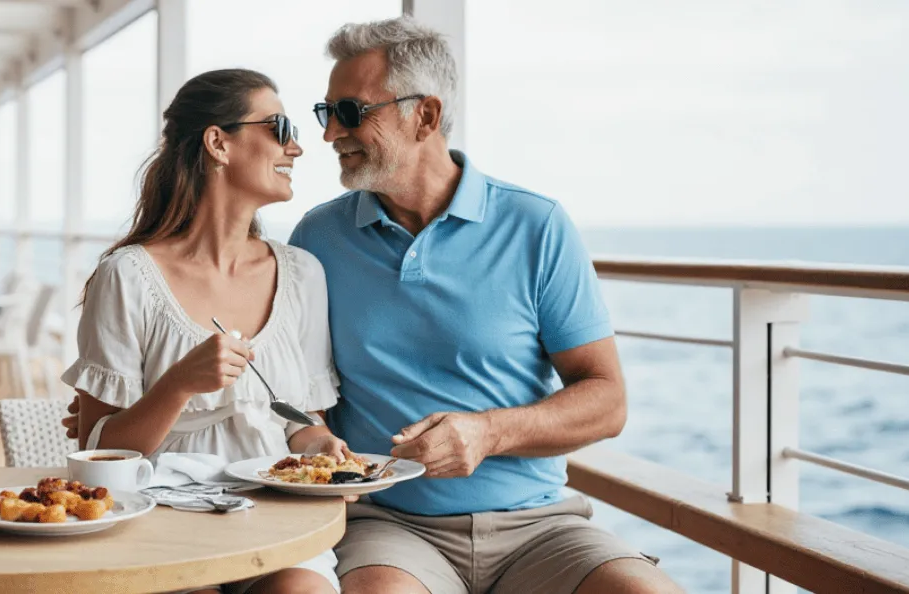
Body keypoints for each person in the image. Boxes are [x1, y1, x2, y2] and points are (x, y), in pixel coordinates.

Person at [70, 17, 683, 594]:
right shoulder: (319, 242)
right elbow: (105, 438)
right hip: (389, 526)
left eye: (349, 113)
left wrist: (489, 432)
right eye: (320, 115)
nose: (327, 134)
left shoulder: (536, 225)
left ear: (427, 115)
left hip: (540, 521)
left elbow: (607, 400)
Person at [64, 68, 345, 594]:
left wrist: (321, 443)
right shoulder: (127, 275)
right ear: (219, 142)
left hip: (276, 520)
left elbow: (302, 421)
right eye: (280, 128)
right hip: (161, 520)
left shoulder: (304, 273)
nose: (298, 149)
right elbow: (95, 453)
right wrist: (179, 384)